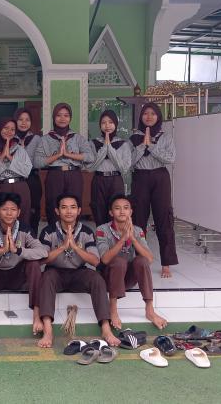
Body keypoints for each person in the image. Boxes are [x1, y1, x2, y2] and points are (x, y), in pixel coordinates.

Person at [37, 194, 119, 348]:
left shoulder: (86, 231)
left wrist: (75, 247)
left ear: (79, 210)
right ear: (57, 211)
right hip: (55, 272)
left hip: (78, 272)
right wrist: (62, 247)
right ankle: (48, 331)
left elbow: (95, 261)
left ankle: (106, 328)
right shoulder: (48, 231)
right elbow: (42, 259)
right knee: (46, 278)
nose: (69, 211)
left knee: (97, 279)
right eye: (64, 207)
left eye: (73, 207)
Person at [0, 192, 47, 338]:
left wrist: (17, 250)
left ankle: (37, 314)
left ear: (19, 212)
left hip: (17, 277)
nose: (9, 213)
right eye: (5, 209)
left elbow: (42, 252)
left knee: (34, 264)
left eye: (13, 209)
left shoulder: (25, 229)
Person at [95, 194, 167, 330]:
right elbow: (105, 259)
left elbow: (150, 259)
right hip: (108, 278)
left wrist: (132, 238)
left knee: (142, 261)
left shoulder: (137, 230)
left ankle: (149, 309)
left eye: (126, 208)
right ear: (111, 212)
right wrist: (123, 239)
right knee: (119, 262)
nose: (122, 211)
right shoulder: (102, 230)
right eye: (117, 208)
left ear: (131, 212)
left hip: (127, 279)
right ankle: (113, 309)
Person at [129, 103, 178, 278]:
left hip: (160, 177)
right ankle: (139, 260)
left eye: (153, 113)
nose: (149, 116)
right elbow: (129, 161)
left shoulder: (165, 136)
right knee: (138, 219)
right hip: (140, 178)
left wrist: (151, 146)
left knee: (164, 218)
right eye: (145, 113)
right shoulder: (133, 138)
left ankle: (166, 263)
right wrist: (143, 146)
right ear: (140, 116)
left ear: (158, 116)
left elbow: (170, 158)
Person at [34, 103, 94, 227]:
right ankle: (53, 235)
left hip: (74, 174)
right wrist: (57, 155)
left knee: (74, 205)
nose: (62, 118)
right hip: (55, 175)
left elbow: (90, 157)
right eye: (59, 115)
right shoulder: (45, 139)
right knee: (53, 205)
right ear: (53, 117)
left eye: (66, 115)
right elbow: (37, 162)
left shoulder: (78, 138)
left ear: (70, 118)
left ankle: (73, 235)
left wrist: (68, 154)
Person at [0, 118, 33, 226]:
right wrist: (1, 157)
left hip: (20, 186)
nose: (9, 132)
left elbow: (27, 170)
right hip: (2, 187)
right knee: (2, 219)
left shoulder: (19, 149)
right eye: (6, 128)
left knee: (23, 218)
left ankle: (22, 237)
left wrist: (10, 157)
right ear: (0, 129)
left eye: (12, 129)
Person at [89, 110, 132, 226]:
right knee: (98, 212)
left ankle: (116, 237)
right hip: (98, 180)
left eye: (111, 122)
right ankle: (101, 236)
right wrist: (104, 148)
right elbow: (91, 167)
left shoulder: (123, 144)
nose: (107, 125)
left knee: (117, 212)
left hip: (116, 180)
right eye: (103, 123)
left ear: (116, 124)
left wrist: (110, 148)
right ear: (100, 125)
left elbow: (123, 168)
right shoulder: (93, 143)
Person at [14, 108, 42, 235]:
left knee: (33, 211)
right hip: (16, 179)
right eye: (20, 119)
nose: (24, 123)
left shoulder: (36, 139)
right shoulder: (10, 138)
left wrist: (22, 152)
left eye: (27, 120)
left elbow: (37, 161)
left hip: (32, 179)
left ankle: (32, 239)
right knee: (16, 211)